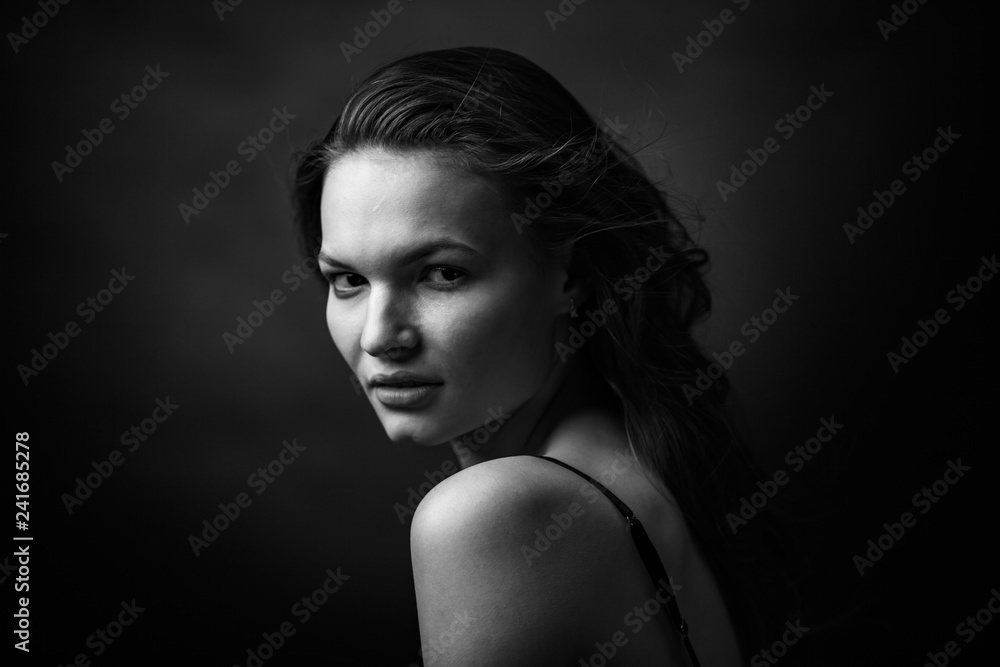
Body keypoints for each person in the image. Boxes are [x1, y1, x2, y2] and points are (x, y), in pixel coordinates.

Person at [293, 46, 797, 666]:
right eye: (348, 281)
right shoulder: (643, 456)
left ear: (572, 275)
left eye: (442, 273)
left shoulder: (495, 514)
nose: (377, 336)